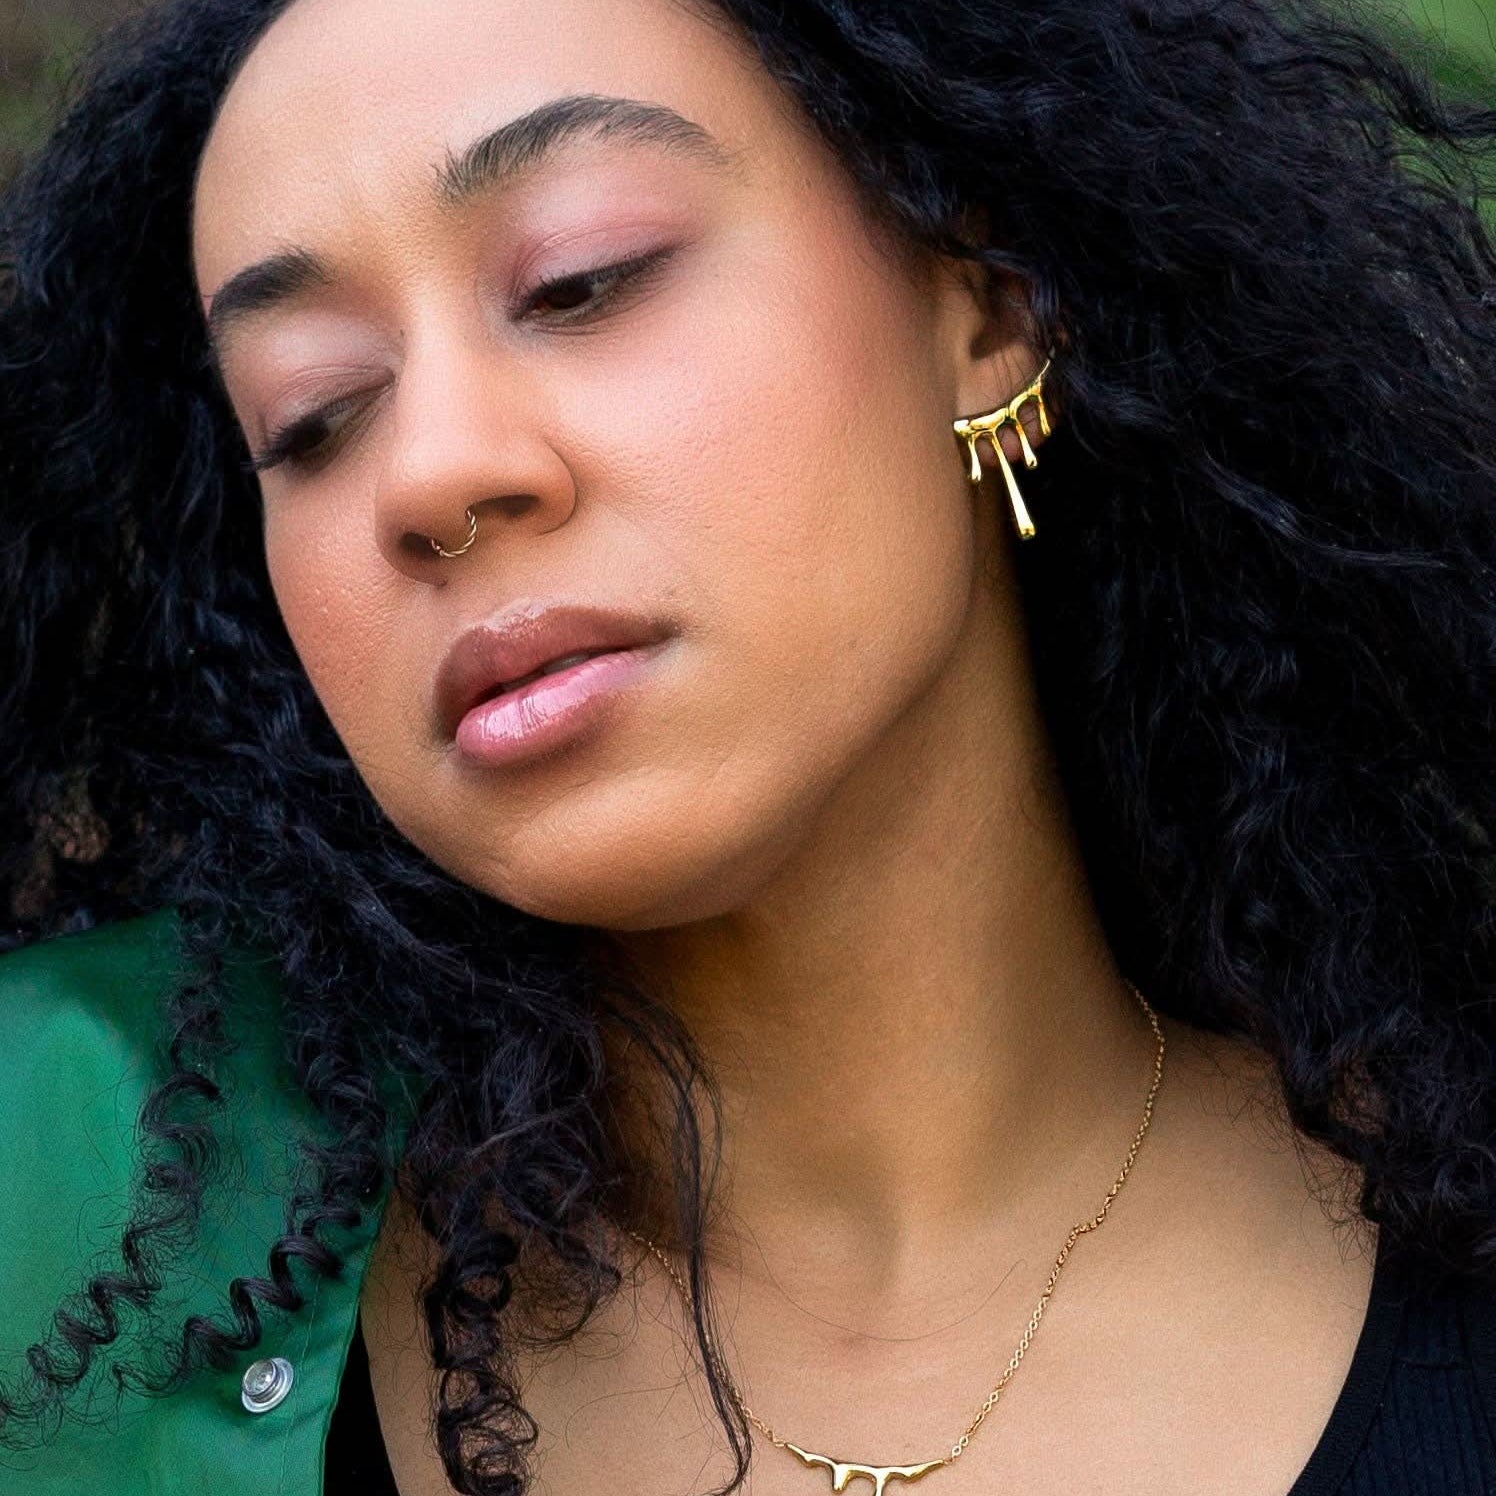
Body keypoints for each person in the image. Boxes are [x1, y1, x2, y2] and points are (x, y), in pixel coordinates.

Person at [2, 0, 1494, 1492]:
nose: (430, 474)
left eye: (581, 281)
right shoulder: (61, 1213)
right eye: (313, 416)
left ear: (986, 311)